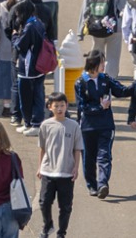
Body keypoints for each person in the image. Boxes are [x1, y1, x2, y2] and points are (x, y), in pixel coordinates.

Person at [74, 49, 131, 198]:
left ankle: (102, 184)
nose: (104, 65)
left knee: (104, 156)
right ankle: (92, 185)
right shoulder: (81, 82)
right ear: (93, 64)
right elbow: (82, 107)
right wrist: (100, 107)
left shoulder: (105, 78)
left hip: (106, 125)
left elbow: (121, 91)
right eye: (101, 62)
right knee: (88, 158)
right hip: (87, 127)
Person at [37, 92, 79, 238]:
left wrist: (76, 168)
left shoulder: (73, 125)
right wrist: (40, 167)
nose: (60, 108)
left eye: (62, 105)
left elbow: (77, 148)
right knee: (44, 202)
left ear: (67, 106)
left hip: (66, 172)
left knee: (65, 206)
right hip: (48, 171)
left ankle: (61, 233)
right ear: (50, 107)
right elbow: (42, 148)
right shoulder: (45, 125)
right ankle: (47, 224)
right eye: (56, 106)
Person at [79, 0, 129, 76]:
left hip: (95, 27)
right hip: (114, 28)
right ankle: (110, 84)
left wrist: (80, 31)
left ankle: (95, 80)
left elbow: (85, 8)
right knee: (112, 59)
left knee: (96, 56)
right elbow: (125, 10)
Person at [13, 0, 50, 132]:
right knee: (37, 95)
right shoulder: (38, 22)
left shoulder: (29, 27)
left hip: (29, 67)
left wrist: (15, 36)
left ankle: (33, 123)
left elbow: (20, 46)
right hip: (39, 66)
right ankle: (31, 123)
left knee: (27, 97)